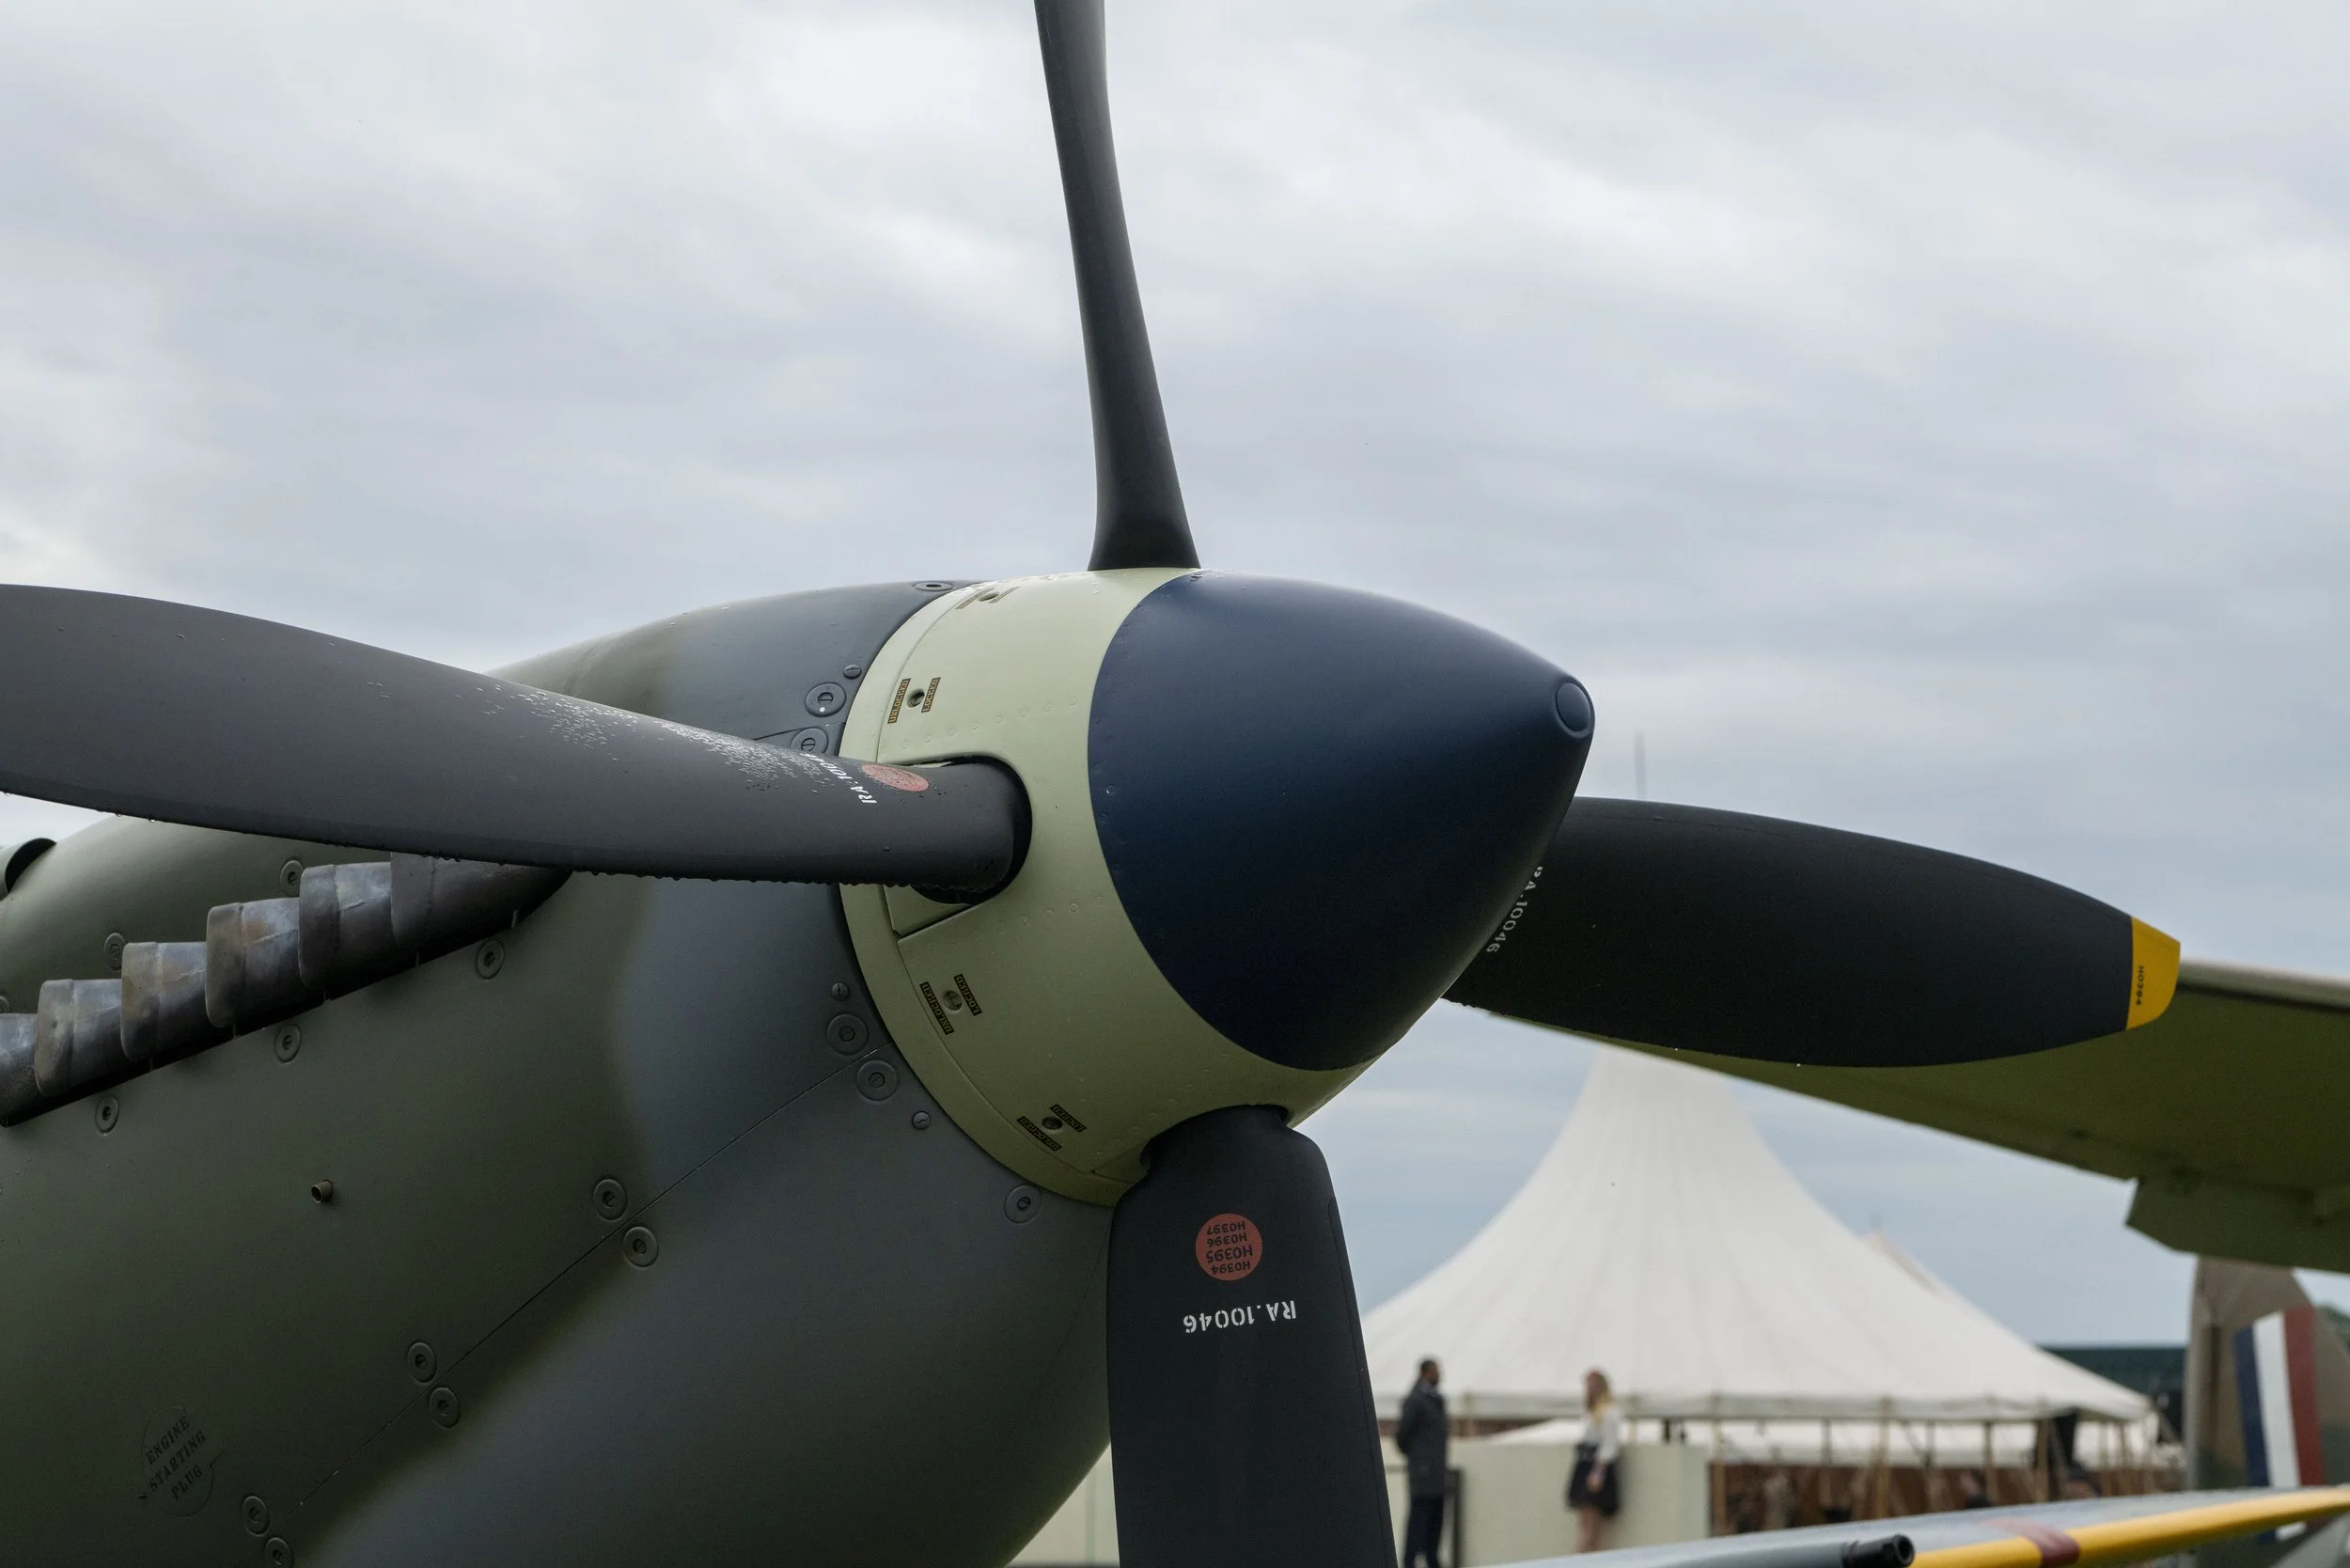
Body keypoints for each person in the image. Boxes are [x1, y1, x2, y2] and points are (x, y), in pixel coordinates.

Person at [1396, 1358, 1449, 1568]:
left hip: (1436, 1474)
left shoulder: (1435, 1399)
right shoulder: (1416, 1400)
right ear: (1425, 1373)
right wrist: (1420, 1460)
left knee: (1435, 1524)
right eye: (1435, 1372)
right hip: (1423, 1474)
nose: (1439, 1376)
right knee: (1418, 1521)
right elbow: (1403, 1435)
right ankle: (1410, 1562)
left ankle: (1431, 1559)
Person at [1566, 1368, 1623, 1553]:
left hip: (1596, 1466)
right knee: (1584, 1519)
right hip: (1584, 1464)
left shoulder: (1609, 1412)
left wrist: (1598, 1473)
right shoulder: (1589, 1411)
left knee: (1592, 1522)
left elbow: (1609, 1445)